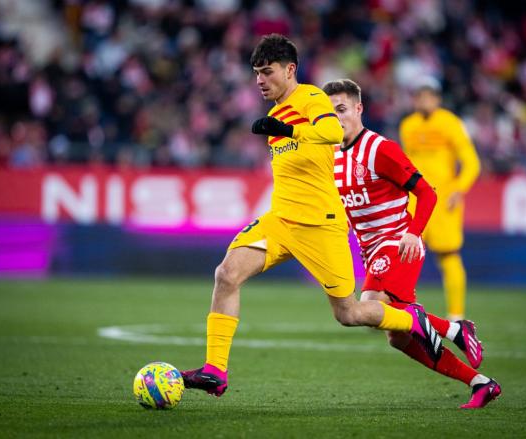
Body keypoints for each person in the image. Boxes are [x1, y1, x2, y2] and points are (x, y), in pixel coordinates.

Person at [180, 34, 443, 397]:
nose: (260, 80)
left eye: (267, 72)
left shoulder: (311, 98)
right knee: (226, 274)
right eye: (256, 73)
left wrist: (287, 129)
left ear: (290, 70)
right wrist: (281, 127)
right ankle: (215, 372)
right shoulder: (275, 112)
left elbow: (332, 131)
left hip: (321, 224)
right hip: (282, 220)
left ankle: (414, 321)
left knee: (349, 313)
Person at [324, 78, 500, 409]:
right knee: (396, 336)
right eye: (329, 112)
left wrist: (413, 232)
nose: (336, 117)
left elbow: (427, 192)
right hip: (371, 248)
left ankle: (454, 328)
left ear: (358, 109)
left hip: (398, 241)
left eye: (342, 109)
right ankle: (480, 382)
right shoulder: (332, 155)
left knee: (369, 307)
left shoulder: (380, 148)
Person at [399, 77, 481, 322]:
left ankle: (456, 316)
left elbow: (472, 162)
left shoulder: (450, 123)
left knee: (448, 256)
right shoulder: (408, 125)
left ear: (437, 98)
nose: (423, 100)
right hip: (414, 200)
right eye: (419, 95)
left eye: (428, 95)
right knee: (403, 255)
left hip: (444, 201)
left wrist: (459, 188)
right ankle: (390, 308)